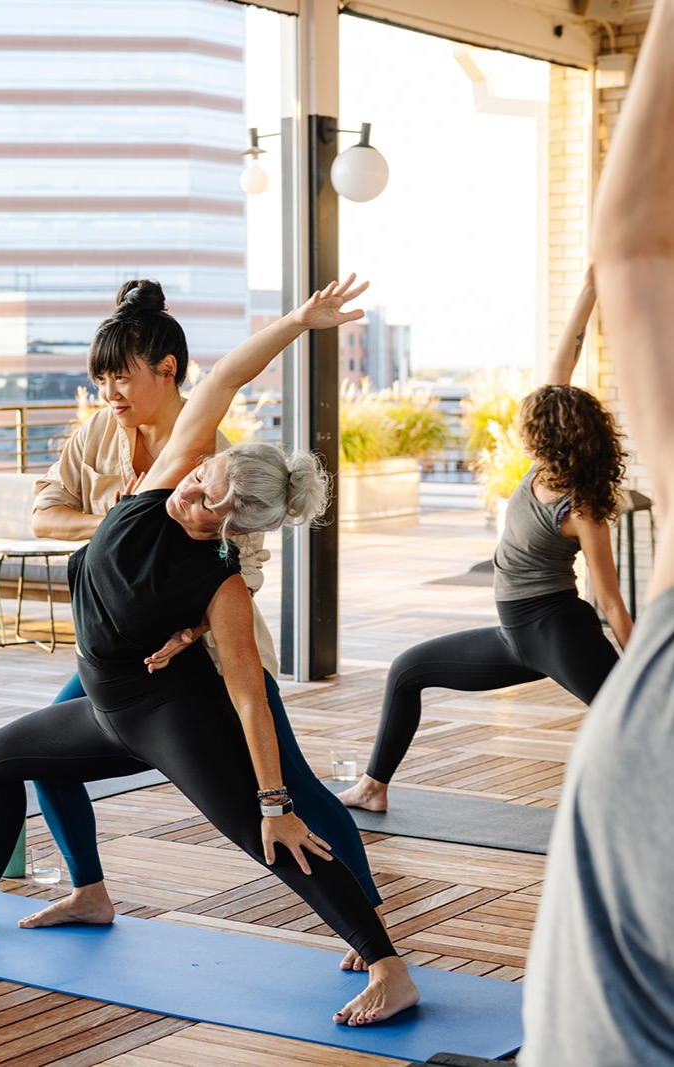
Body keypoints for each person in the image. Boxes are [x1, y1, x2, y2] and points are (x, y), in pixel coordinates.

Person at [0, 275, 421, 1026]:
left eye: (205, 497)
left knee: (271, 835)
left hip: (167, 715)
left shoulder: (222, 587)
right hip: (108, 706)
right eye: (196, 477)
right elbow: (225, 377)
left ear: (229, 520)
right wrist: (297, 320)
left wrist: (272, 799)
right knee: (1, 753)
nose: (189, 490)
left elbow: (247, 693)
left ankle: (387, 964)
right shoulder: (160, 481)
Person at [24, 279, 383, 957]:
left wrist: (301, 320)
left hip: (216, 646)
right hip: (134, 657)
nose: (110, 393)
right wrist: (118, 528)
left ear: (165, 372)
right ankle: (89, 889)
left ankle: (366, 921)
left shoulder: (209, 455)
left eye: (121, 377)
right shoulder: (98, 434)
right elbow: (44, 514)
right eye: (101, 379)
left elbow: (238, 574)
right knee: (41, 754)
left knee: (291, 787)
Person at [519, 2, 674, 1061]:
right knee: (406, 681)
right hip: (522, 628)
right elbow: (626, 252)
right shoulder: (551, 458)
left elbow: (631, 245)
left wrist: (619, 632)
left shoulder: (583, 493)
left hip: (557, 629)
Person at [338, 268, 632, 814]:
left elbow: (609, 598)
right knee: (407, 670)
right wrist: (590, 290)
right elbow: (561, 364)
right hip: (515, 636)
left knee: (635, 717)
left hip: (557, 631)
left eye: (528, 425)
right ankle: (373, 787)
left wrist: (641, 661)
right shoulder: (543, 468)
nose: (519, 429)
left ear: (548, 434)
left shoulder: (581, 508)